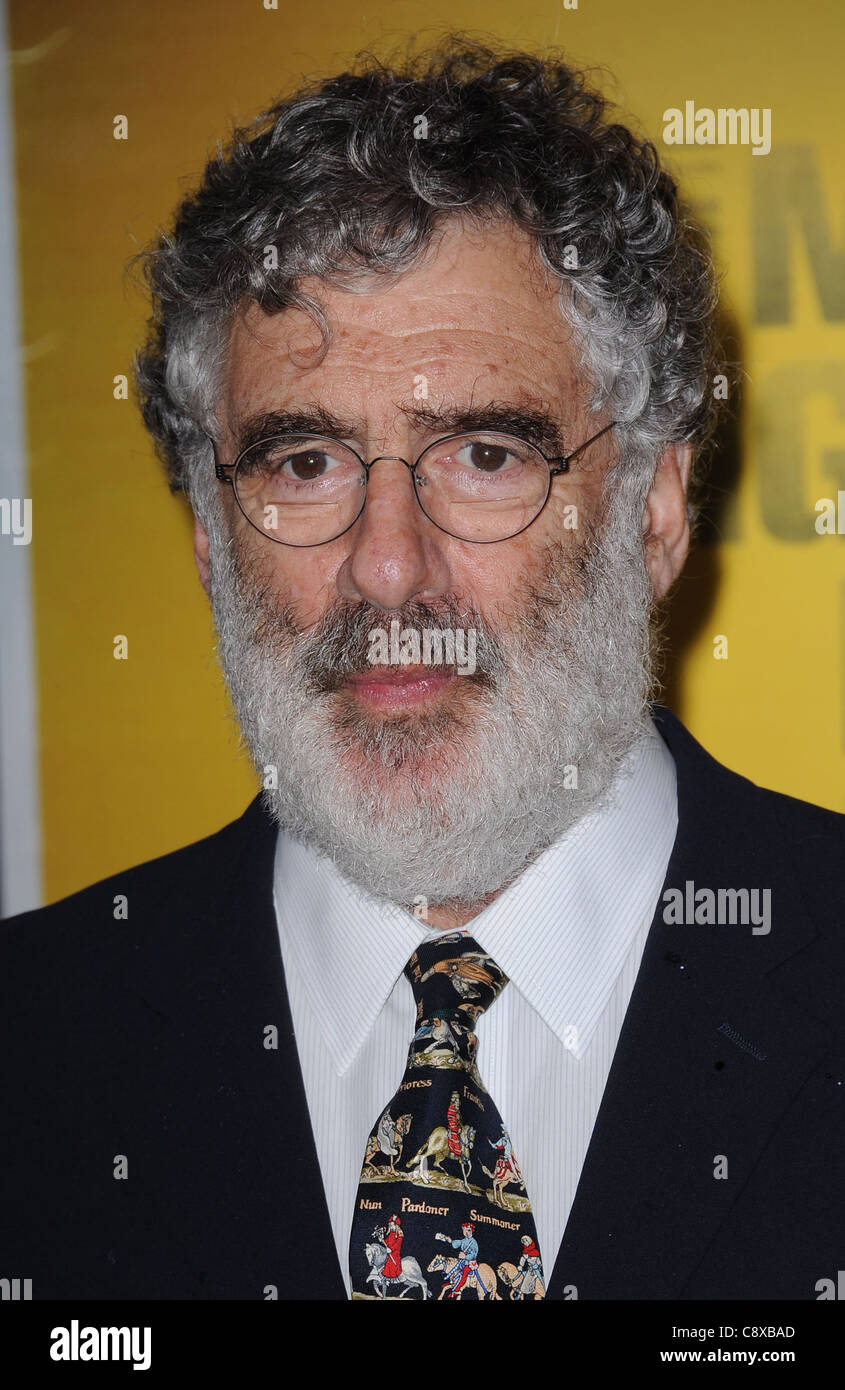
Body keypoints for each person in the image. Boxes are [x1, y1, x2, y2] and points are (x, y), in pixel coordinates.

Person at [0, 36, 842, 1302]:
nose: (387, 571)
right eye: (304, 464)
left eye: (485, 455)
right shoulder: (32, 1049)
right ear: (207, 540)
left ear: (654, 510)